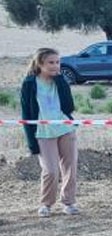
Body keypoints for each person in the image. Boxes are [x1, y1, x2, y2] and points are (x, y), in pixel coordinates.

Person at [20, 48, 79, 217]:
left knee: (70, 168)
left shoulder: (60, 80)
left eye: (57, 62)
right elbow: (26, 114)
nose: (55, 66)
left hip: (65, 129)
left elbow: (69, 107)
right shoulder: (29, 83)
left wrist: (60, 81)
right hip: (42, 132)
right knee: (51, 170)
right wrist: (31, 142)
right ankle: (46, 204)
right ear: (40, 64)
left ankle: (68, 202)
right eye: (51, 63)